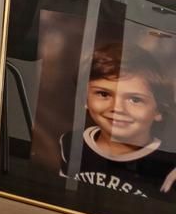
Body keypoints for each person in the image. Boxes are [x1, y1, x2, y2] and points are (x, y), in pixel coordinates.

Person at [61, 45, 176, 199]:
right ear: (85, 100)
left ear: (159, 111)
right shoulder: (71, 142)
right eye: (103, 94)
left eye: (135, 99)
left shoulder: (169, 165)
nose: (117, 108)